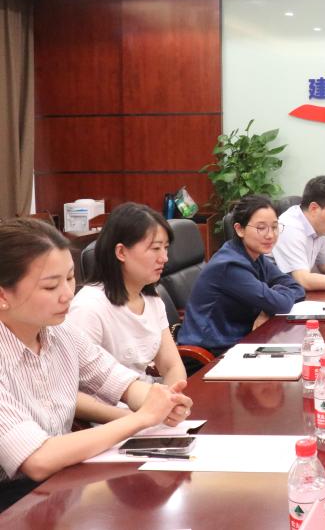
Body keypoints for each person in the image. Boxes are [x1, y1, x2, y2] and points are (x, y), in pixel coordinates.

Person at [0, 219, 191, 508]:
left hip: (58, 488)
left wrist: (161, 400)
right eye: (50, 286)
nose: (67, 294)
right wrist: (141, 419)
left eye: (69, 278)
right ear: (3, 295)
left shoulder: (61, 332)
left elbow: (120, 382)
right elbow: (37, 459)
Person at [66, 203, 186, 397]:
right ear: (121, 252)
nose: (164, 258)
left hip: (149, 401)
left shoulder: (153, 300)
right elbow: (73, 391)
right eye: (156, 248)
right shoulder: (88, 307)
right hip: (112, 411)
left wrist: (170, 400)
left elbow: (172, 367)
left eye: (165, 248)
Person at [178, 195, 306, 354]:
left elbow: (297, 288)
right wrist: (272, 301)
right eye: (261, 228)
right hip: (212, 352)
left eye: (274, 227)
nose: (270, 235)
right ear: (240, 229)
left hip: (242, 339)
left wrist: (267, 309)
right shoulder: (230, 266)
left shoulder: (256, 256)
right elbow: (282, 304)